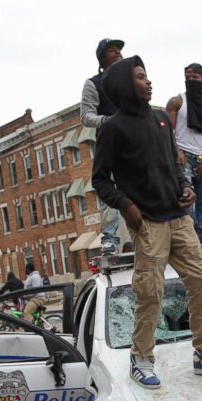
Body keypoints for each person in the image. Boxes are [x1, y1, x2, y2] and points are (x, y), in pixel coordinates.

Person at [92, 56, 202, 389]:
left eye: (147, 76)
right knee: (150, 292)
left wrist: (185, 188)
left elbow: (173, 164)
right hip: (148, 223)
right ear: (126, 85)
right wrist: (126, 206)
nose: (149, 82)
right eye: (141, 77)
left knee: (201, 280)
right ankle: (140, 360)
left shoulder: (160, 120)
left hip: (178, 217)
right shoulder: (112, 128)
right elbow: (100, 180)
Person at [166, 63, 202, 244]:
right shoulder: (177, 102)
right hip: (183, 157)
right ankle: (191, 244)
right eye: (188, 78)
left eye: (195, 78)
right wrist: (177, 151)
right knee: (187, 201)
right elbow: (167, 131)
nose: (191, 81)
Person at [81, 37, 125, 255]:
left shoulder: (130, 79)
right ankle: (109, 239)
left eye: (119, 50)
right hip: (110, 142)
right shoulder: (93, 83)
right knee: (110, 188)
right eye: (112, 50)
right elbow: (86, 116)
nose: (118, 53)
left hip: (135, 141)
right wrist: (108, 120)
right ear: (101, 57)